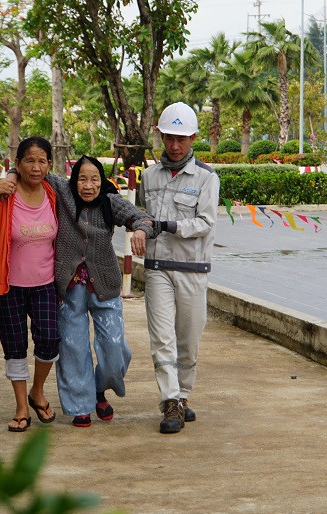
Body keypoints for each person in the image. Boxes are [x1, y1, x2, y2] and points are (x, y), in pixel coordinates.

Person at [5, 156, 157, 427]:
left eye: (94, 179)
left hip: (105, 285)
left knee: (114, 348)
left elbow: (142, 217)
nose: (88, 185)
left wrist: (141, 232)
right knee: (73, 348)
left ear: (102, 181)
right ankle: (81, 405)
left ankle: (98, 387)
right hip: (69, 286)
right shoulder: (62, 192)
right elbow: (30, 170)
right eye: (82, 179)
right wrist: (8, 178)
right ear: (73, 180)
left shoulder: (111, 201)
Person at [0, 136, 60, 433]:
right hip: (9, 286)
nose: (36, 167)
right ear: (16, 164)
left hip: (45, 284)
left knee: (50, 339)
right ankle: (21, 407)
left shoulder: (53, 193)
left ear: (49, 165)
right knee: (14, 347)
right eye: (29, 160)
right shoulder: (5, 196)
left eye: (42, 160)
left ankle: (37, 391)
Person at [138, 102, 219, 434]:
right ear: (159, 135)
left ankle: (183, 396)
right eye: (169, 138)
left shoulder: (206, 178)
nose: (174, 146)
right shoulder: (148, 177)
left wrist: (170, 225)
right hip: (157, 268)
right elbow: (139, 216)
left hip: (192, 269)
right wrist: (141, 229)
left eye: (181, 139)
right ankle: (169, 401)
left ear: (193, 138)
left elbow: (205, 222)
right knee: (162, 338)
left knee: (188, 339)